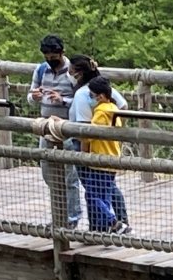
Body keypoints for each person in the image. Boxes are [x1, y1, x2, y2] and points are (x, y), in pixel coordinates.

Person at [69, 55, 130, 233]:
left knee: (92, 192)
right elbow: (124, 106)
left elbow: (85, 131)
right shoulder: (108, 93)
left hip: (94, 153)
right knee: (106, 190)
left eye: (71, 71)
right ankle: (113, 223)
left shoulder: (85, 97)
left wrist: (84, 155)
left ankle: (107, 225)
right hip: (111, 152)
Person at [28, 34, 82, 228]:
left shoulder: (73, 72)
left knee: (69, 176)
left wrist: (62, 100)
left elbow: (82, 100)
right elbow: (30, 96)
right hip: (45, 127)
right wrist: (34, 97)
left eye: (54, 57)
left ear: (61, 53)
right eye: (47, 57)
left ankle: (72, 217)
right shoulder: (41, 70)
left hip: (66, 127)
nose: (50, 60)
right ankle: (59, 214)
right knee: (48, 173)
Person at [79, 76, 127, 232]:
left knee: (92, 195)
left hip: (100, 159)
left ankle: (113, 222)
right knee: (104, 196)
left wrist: (80, 139)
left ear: (100, 96)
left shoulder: (100, 113)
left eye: (91, 95)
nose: (90, 98)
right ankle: (103, 229)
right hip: (112, 158)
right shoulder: (113, 109)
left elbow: (90, 134)